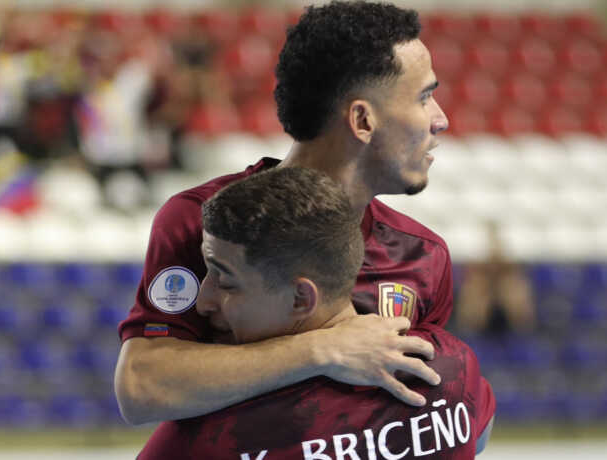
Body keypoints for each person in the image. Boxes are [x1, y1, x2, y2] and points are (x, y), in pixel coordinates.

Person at [115, 0, 452, 424]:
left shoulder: (424, 257)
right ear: (362, 120)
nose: (440, 120)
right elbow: (142, 386)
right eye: (424, 98)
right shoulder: (200, 220)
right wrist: (322, 351)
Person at [137, 167, 495, 459]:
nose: (203, 301)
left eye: (226, 281)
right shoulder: (454, 367)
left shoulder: (216, 433)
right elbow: (478, 434)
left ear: (300, 299)